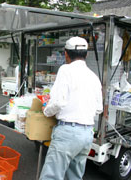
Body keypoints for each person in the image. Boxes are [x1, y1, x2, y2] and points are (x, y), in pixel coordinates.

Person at [39, 36, 103, 180]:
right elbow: (98, 108)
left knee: (51, 176)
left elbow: (58, 102)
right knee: (75, 176)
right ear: (86, 55)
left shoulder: (65, 70)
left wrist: (46, 110)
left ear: (66, 54)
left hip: (68, 132)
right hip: (87, 134)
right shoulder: (93, 76)